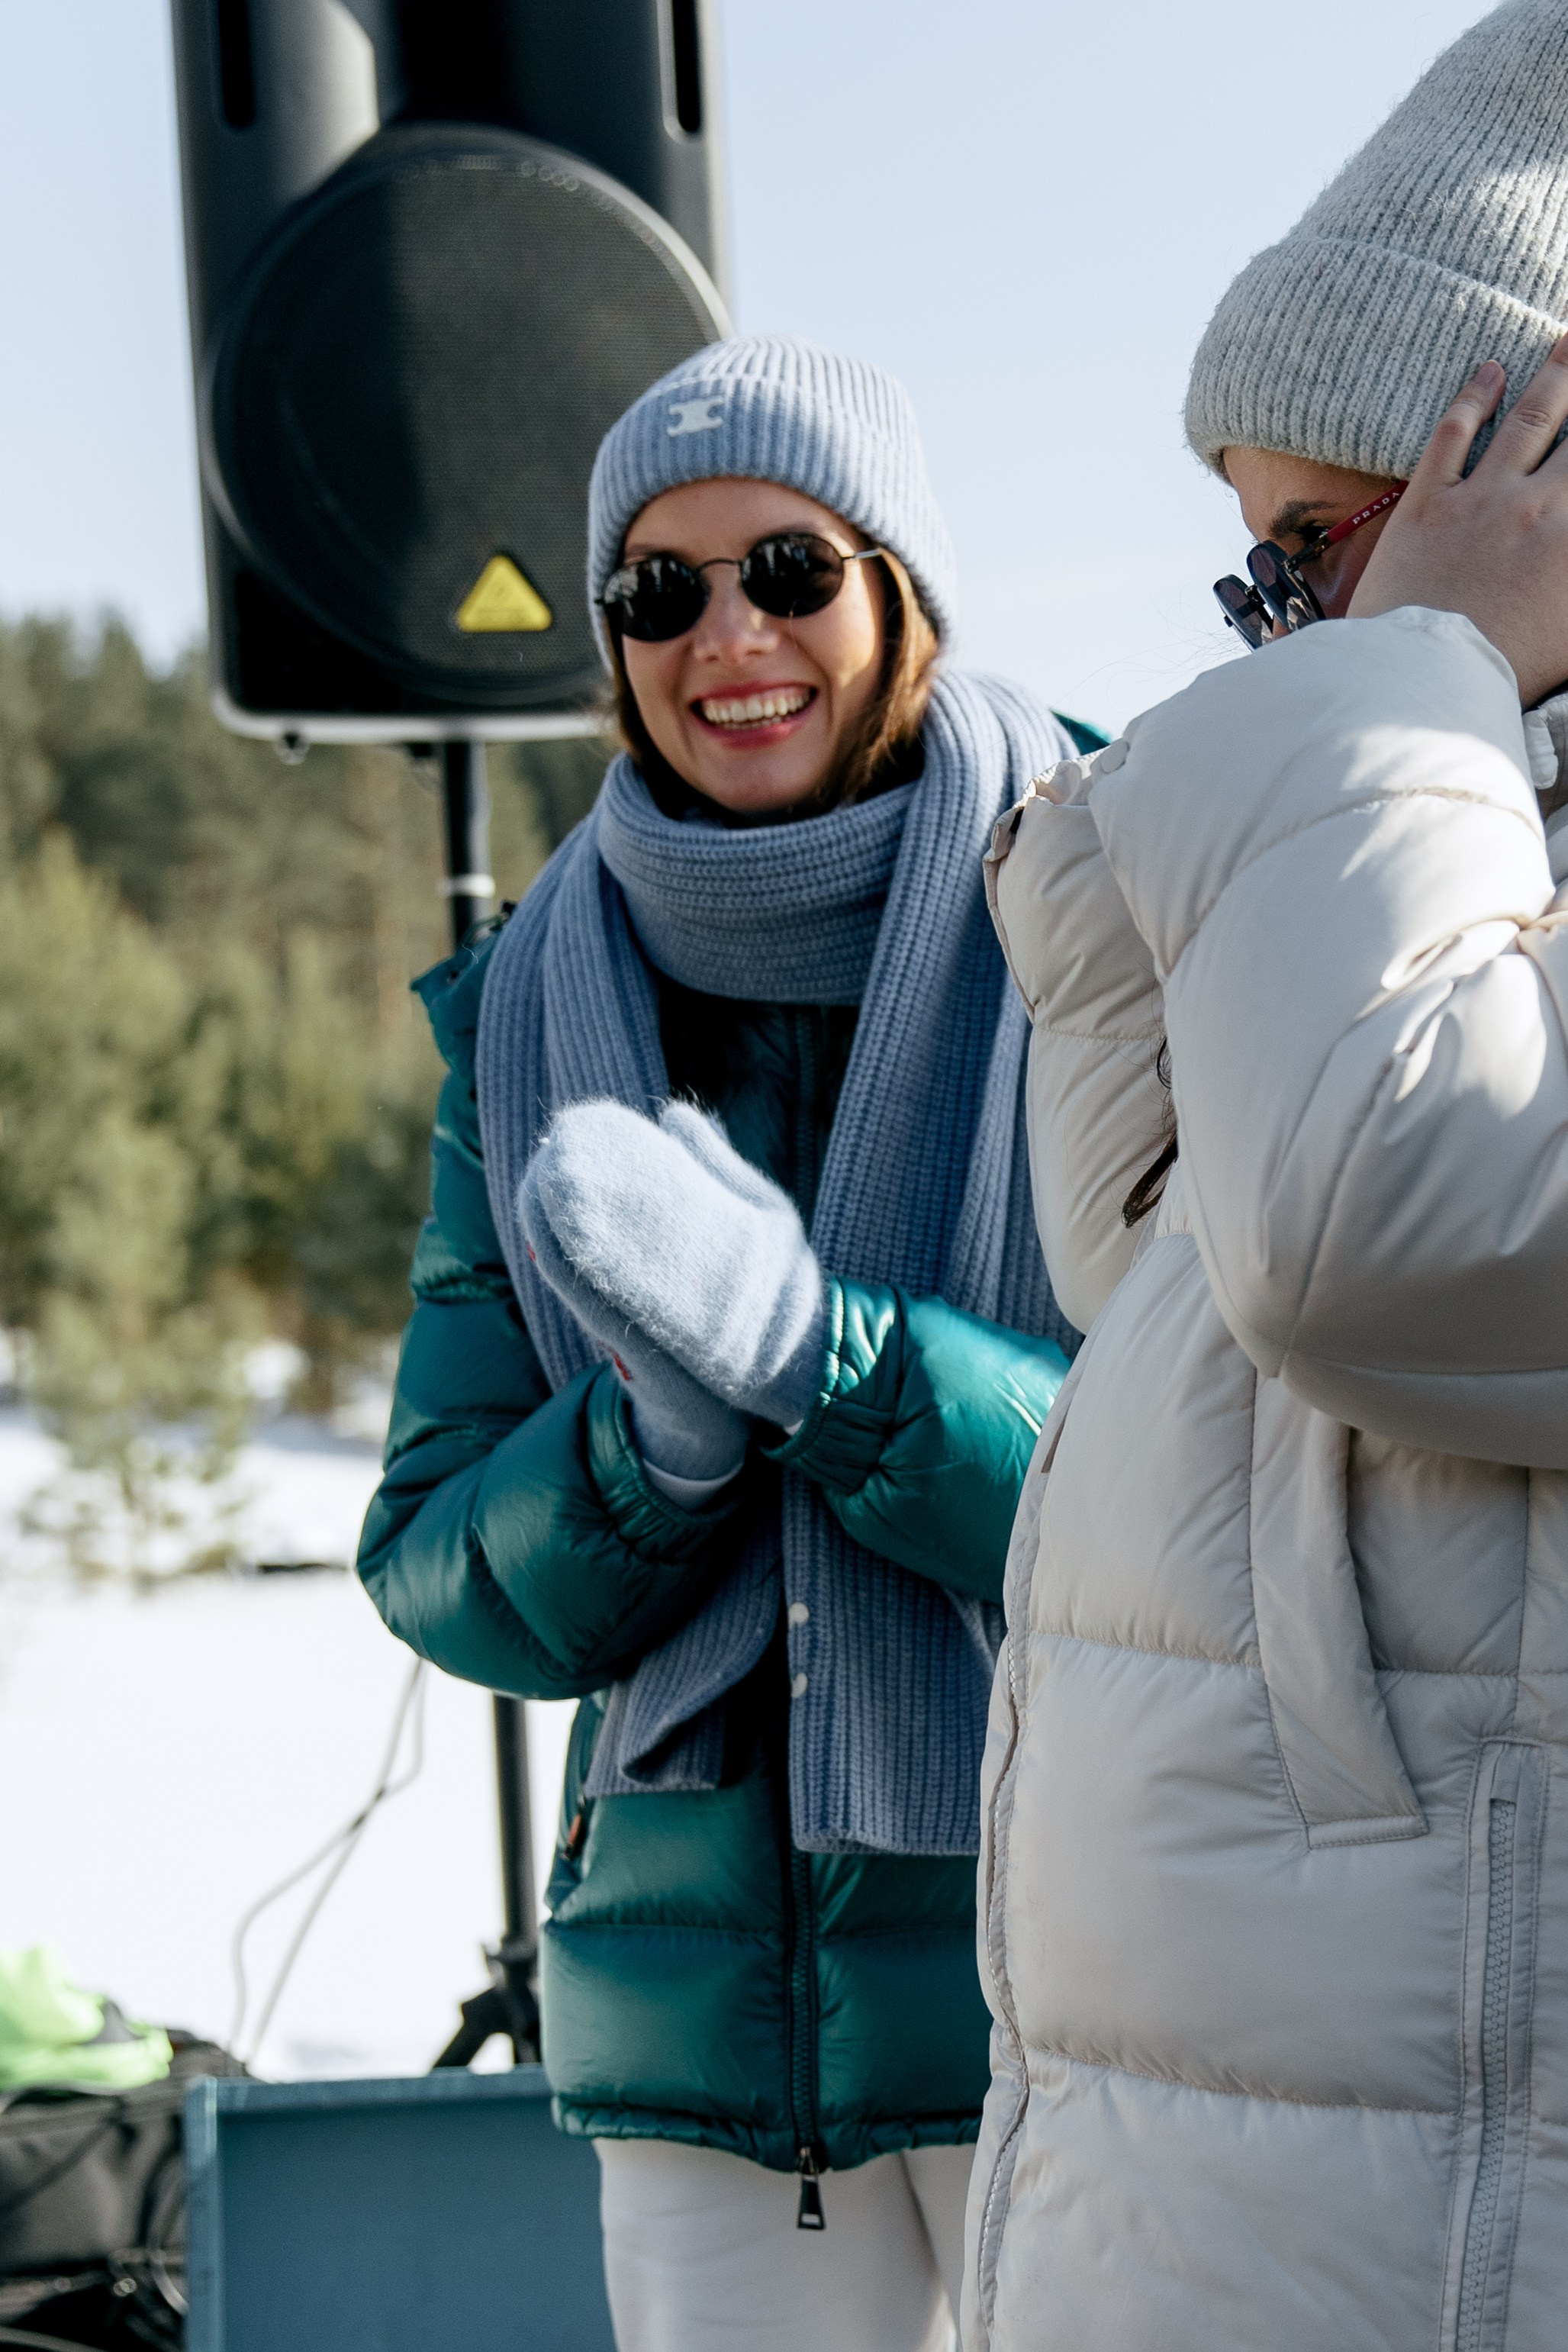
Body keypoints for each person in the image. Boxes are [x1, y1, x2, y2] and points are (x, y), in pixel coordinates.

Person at [356, 334, 1092, 2352]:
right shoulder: (526, 1003)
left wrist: (823, 1356)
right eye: (656, 590)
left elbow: (1193, 1502)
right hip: (703, 2037)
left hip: (1093, 1980)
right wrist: (651, 1448)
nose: (727, 635)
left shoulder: (1106, 909)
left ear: (895, 589)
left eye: (788, 567)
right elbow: (434, 1555)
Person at [970, 5, 1568, 2346]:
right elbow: (1172, 1282)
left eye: (1329, 549)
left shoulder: (1421, 790)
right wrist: (1134, 911)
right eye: (1266, 583)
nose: (1303, 628)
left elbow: (1392, 1231)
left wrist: (1382, 697)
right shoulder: (1456, 830)